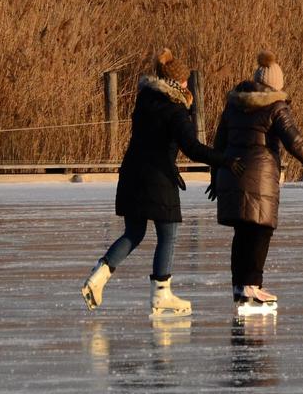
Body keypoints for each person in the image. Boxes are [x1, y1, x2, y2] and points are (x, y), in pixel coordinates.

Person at [82, 48, 242, 317]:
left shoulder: (145, 100)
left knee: (134, 233)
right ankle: (161, 295)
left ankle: (98, 276)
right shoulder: (175, 110)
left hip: (132, 174)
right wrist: (225, 160)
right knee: (168, 233)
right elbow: (192, 148)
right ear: (178, 83)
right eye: (184, 82)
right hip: (157, 180)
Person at [209, 52, 303, 311]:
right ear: (277, 84)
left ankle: (240, 286)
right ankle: (252, 285)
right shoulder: (276, 107)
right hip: (259, 179)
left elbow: (219, 143)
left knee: (242, 231)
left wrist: (214, 176)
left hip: (231, 174)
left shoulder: (234, 104)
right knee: (261, 229)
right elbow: (294, 141)